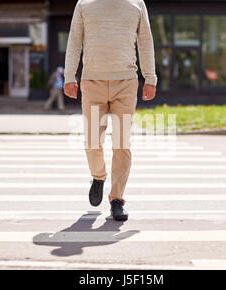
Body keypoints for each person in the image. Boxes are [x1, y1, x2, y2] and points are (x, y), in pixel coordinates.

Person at [63, 0, 157, 221]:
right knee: (93, 141)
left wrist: (150, 77)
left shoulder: (137, 4)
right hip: (92, 82)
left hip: (125, 83)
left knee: (122, 143)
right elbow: (74, 41)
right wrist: (69, 76)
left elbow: (145, 42)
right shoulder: (84, 4)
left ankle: (117, 199)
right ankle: (98, 176)